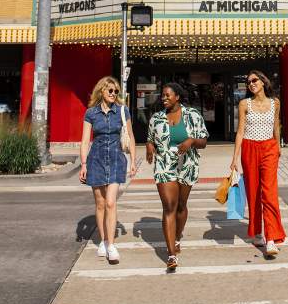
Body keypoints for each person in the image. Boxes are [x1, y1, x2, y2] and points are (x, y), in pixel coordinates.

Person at [146, 83, 209, 270]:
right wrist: (149, 145)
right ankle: (171, 254)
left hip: (187, 164)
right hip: (164, 164)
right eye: (162, 95)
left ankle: (178, 236)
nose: (163, 98)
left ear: (177, 97)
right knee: (169, 207)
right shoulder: (156, 118)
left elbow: (204, 142)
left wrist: (191, 141)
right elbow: (150, 138)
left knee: (181, 205)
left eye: (167, 95)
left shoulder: (193, 115)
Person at [79, 76, 137, 265]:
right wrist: (83, 164)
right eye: (110, 91)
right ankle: (103, 240)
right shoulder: (91, 113)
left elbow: (130, 136)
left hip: (116, 159)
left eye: (116, 92)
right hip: (95, 159)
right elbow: (85, 140)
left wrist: (133, 161)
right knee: (100, 204)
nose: (113, 94)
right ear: (101, 91)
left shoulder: (122, 111)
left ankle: (111, 245)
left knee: (111, 202)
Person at [230, 70, 286, 256]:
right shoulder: (244, 103)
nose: (251, 84)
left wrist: (278, 146)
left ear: (263, 82)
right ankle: (256, 232)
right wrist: (234, 158)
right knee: (253, 191)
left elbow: (276, 125)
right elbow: (240, 131)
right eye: (248, 82)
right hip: (249, 148)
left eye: (254, 80)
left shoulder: (275, 103)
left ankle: (271, 239)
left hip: (269, 148)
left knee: (269, 193)